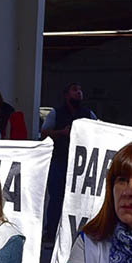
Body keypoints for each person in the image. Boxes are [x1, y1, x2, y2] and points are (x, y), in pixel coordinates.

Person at [40, 82, 98, 240]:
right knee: (57, 198)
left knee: (80, 198)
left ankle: (78, 235)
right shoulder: (55, 113)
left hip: (81, 164)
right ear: (66, 95)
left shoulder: (88, 113)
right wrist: (61, 132)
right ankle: (51, 233)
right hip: (59, 160)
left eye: (80, 90)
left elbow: (98, 131)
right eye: (74, 90)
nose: (79, 93)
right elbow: (44, 132)